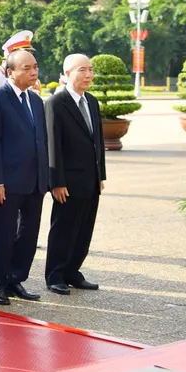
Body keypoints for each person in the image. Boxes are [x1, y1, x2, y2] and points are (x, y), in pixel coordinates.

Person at [0, 49, 49, 306]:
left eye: (35, 67)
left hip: (34, 181)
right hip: (7, 183)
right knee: (4, 232)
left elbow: (40, 141)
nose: (33, 72)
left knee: (28, 233)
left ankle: (14, 278)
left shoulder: (35, 101)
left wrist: (46, 178)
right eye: (26, 68)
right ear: (10, 72)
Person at [44, 54, 106, 295]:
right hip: (67, 182)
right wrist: (56, 182)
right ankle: (55, 274)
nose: (88, 75)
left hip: (90, 179)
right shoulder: (56, 103)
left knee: (84, 228)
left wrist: (100, 174)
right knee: (64, 228)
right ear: (68, 73)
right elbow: (53, 145)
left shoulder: (91, 101)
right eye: (83, 70)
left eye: (90, 70)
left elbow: (97, 141)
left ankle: (73, 270)